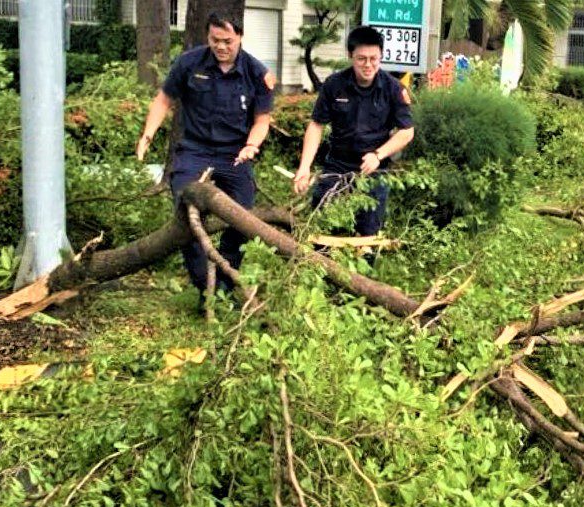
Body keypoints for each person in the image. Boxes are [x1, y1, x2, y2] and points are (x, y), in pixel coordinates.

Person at [136, 11, 274, 300]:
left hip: (235, 154)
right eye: (215, 40)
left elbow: (262, 120)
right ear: (208, 37)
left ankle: (225, 280)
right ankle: (205, 288)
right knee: (188, 213)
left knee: (242, 218)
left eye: (227, 41)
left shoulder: (257, 73)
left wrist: (251, 146)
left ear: (240, 37)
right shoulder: (189, 63)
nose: (221, 47)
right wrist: (148, 134)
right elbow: (163, 100)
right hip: (194, 152)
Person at [293, 26, 414, 239]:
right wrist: (304, 168)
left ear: (381, 56)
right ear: (350, 56)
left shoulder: (393, 88)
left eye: (373, 58)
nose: (368, 65)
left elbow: (407, 131)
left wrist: (378, 155)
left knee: (367, 237)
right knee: (322, 231)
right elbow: (316, 126)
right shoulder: (334, 84)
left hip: (374, 170)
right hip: (337, 165)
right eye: (361, 59)